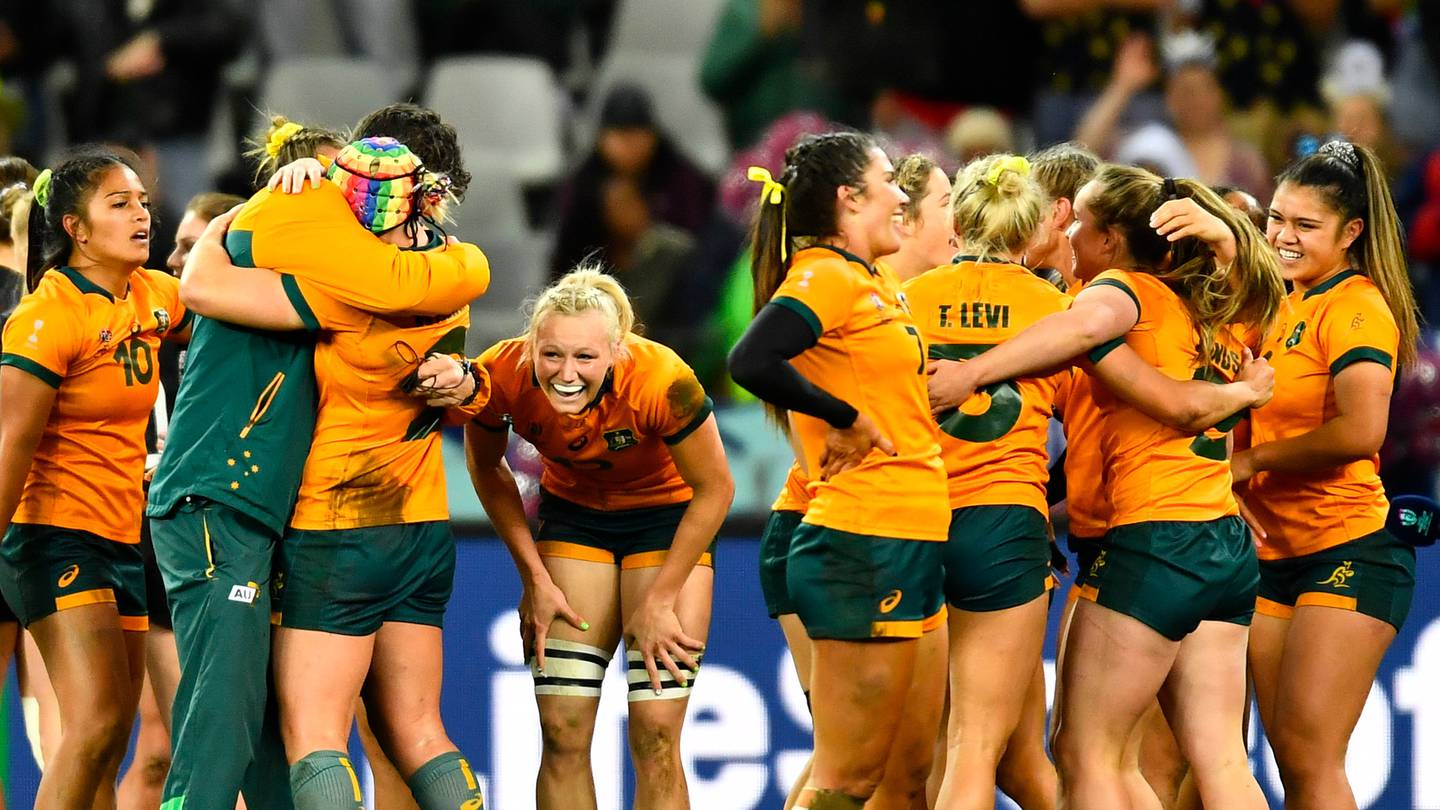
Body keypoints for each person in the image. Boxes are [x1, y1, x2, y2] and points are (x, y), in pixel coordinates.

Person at [146, 106, 488, 810]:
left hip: (331, 522)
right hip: (418, 525)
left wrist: (224, 226)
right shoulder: (450, 275)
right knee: (419, 730)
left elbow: (202, 285)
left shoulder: (344, 279)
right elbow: (466, 273)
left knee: (308, 736)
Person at [929, 165, 1284, 809]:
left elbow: (1090, 333)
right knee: (1223, 759)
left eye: (1084, 225)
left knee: (1086, 752)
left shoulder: (1123, 292)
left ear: (1114, 241)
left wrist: (973, 371)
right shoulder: (1215, 306)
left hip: (1154, 542)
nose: (1069, 235)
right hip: (1221, 542)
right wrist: (1230, 241)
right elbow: (1259, 292)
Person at [727, 131, 951, 810]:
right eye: (890, 181)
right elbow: (750, 360)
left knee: (908, 777)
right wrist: (845, 416)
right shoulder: (823, 274)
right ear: (850, 198)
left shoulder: (870, 278)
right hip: (863, 539)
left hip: (907, 535)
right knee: (846, 781)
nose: (902, 196)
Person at [464, 266, 732, 810]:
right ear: (531, 345)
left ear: (616, 350)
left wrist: (660, 599)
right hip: (576, 517)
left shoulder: (663, 380)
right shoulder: (500, 373)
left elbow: (716, 489)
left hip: (667, 518)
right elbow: (487, 470)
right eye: (552, 355)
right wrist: (534, 577)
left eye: (585, 357)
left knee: (656, 732)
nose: (566, 373)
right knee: (562, 726)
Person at [0, 149, 192, 809]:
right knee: (95, 722)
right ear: (78, 230)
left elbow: (220, 305)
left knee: (110, 738)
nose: (142, 214)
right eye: (120, 203)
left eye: (142, 201)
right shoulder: (49, 316)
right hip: (53, 538)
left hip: (120, 539)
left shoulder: (153, 297)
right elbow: (10, 441)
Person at [1235, 140, 1420, 810]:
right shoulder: (1282, 302)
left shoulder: (1357, 307)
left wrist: (1250, 462)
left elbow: (1360, 432)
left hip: (1350, 549)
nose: (1282, 236)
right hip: (1273, 553)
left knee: (1312, 756)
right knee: (1291, 757)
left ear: (1350, 233)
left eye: (1304, 226)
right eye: (1277, 217)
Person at [901, 153, 1066, 809]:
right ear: (1030, 230)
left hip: (916, 520)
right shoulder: (1057, 306)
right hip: (1004, 523)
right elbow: (1096, 424)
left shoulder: (909, 299)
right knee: (975, 745)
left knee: (932, 747)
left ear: (959, 220)